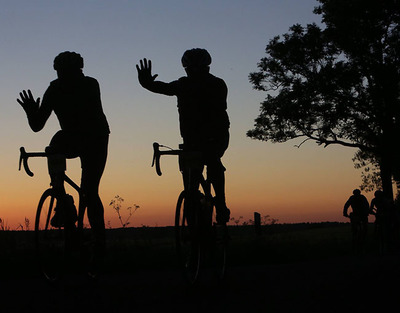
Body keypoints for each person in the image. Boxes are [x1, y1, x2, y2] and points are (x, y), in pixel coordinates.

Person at [17, 51, 110, 272]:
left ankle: (99, 242)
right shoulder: (56, 88)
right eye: (62, 73)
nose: (66, 76)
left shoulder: (88, 85)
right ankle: (61, 198)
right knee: (54, 147)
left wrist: (35, 113)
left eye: (69, 72)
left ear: (79, 71)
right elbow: (37, 125)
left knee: (90, 190)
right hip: (73, 136)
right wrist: (31, 112)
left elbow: (83, 116)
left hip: (95, 137)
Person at [136, 48, 230, 224]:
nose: (194, 73)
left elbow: (165, 88)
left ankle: (221, 203)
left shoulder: (210, 84)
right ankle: (197, 209)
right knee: (192, 180)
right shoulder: (190, 84)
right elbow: (164, 88)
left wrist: (148, 84)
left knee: (212, 160)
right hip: (193, 139)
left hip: (214, 137)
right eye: (191, 69)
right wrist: (147, 84)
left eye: (197, 69)